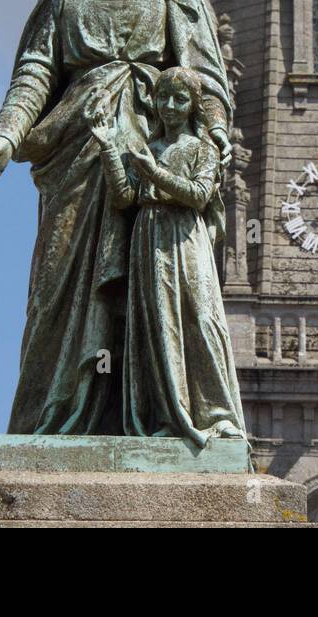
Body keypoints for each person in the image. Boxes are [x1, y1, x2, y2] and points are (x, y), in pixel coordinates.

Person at [0, 0, 233, 435]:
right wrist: (6, 136)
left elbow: (202, 73)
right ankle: (57, 417)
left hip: (148, 155)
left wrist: (211, 136)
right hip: (77, 150)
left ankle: (154, 416)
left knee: (154, 286)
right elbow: (36, 70)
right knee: (55, 291)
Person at [88, 67, 246, 444]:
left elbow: (198, 195)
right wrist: (110, 147)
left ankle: (217, 414)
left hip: (185, 239)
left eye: (180, 99)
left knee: (201, 317)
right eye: (163, 98)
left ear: (194, 105)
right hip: (149, 238)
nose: (171, 106)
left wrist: (154, 173)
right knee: (160, 325)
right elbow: (126, 197)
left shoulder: (202, 147)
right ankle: (168, 415)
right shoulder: (149, 148)